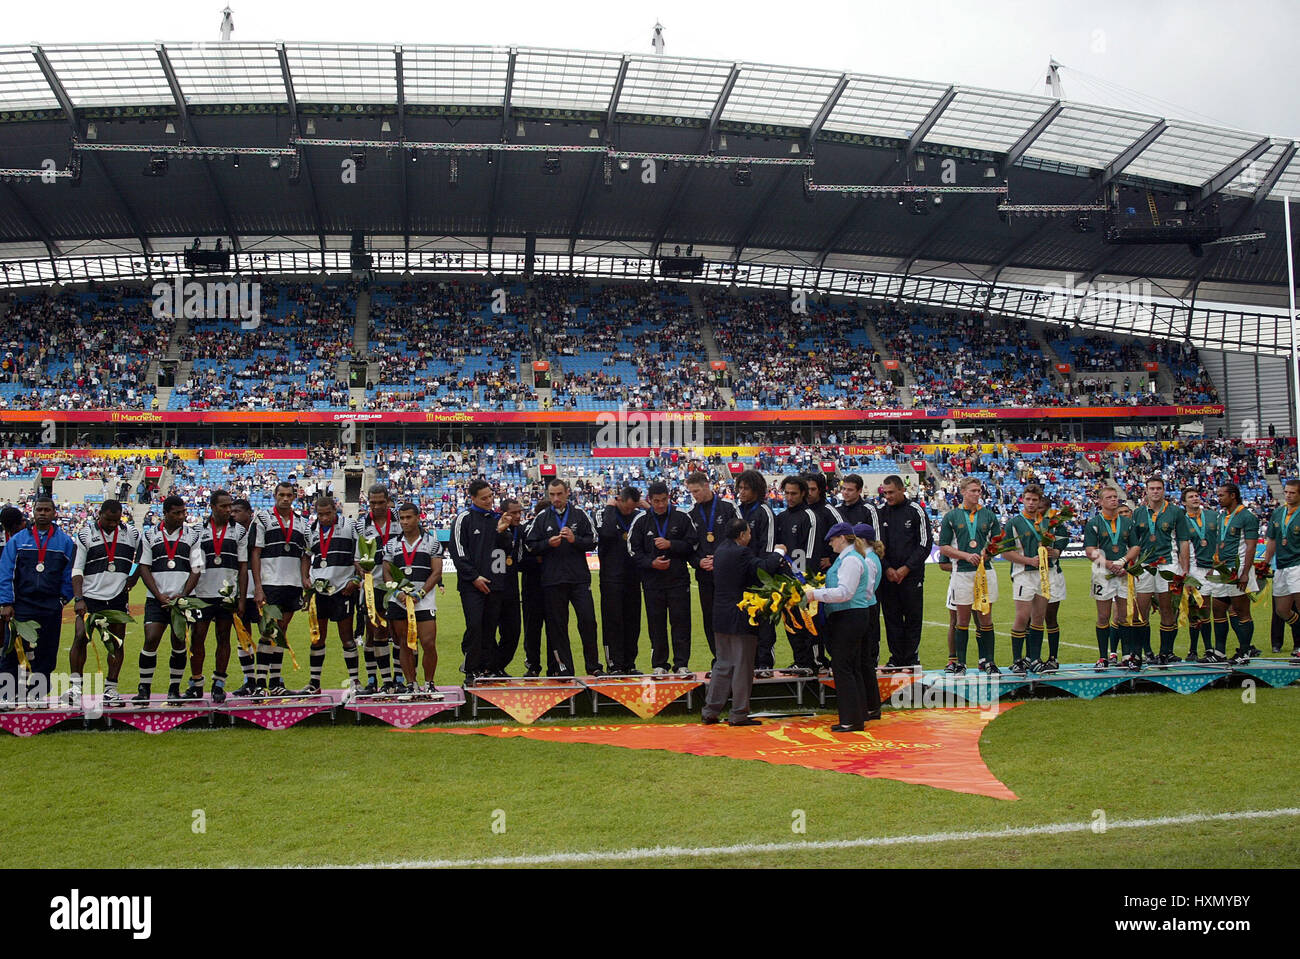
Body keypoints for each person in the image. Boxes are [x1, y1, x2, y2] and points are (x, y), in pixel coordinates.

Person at [701, 518, 786, 727]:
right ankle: (739, 714)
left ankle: (710, 711)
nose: (750, 536)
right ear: (741, 535)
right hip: (740, 615)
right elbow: (764, 569)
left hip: (720, 615)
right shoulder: (742, 552)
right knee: (742, 665)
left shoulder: (721, 550)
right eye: (748, 533)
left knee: (723, 664)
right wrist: (779, 552)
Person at [0, 497, 76, 704]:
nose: (42, 513)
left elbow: (70, 575)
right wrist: (7, 602)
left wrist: (61, 600)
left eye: (47, 510)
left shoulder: (65, 542)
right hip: (22, 605)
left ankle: (37, 694)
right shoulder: (17, 541)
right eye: (39, 509)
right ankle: (6, 695)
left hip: (50, 605)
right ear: (33, 512)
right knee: (12, 650)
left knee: (46, 651)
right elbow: (6, 572)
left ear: (54, 513)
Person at [807, 522, 882, 730]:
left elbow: (844, 593)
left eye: (832, 540)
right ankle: (857, 715)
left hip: (848, 616)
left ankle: (850, 719)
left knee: (843, 667)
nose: (830, 544)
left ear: (841, 538)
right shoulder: (852, 558)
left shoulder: (850, 560)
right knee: (852, 666)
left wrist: (815, 594)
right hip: (852, 614)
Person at [70, 499, 144, 706]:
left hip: (118, 597)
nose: (113, 523)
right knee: (80, 637)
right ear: (99, 514)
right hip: (90, 597)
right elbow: (77, 569)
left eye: (116, 519)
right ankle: (75, 688)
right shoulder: (85, 534)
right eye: (108, 519)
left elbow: (144, 557)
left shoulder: (131, 533)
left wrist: (134, 576)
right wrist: (78, 598)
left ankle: (111, 689)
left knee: (116, 643)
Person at [525, 478, 603, 677]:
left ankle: (593, 666)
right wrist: (547, 544)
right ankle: (564, 669)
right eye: (552, 495)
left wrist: (574, 540)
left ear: (568, 493)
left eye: (559, 494)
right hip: (553, 580)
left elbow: (593, 540)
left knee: (588, 621)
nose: (556, 498)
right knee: (558, 627)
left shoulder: (580, 514)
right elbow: (530, 545)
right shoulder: (542, 517)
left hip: (579, 579)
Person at [628, 480, 698, 676]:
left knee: (681, 623)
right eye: (656, 501)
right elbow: (633, 551)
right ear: (649, 500)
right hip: (653, 583)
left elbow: (693, 544)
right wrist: (652, 563)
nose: (660, 505)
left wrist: (671, 544)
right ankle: (659, 664)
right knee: (656, 624)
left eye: (664, 500)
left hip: (678, 580)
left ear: (669, 498)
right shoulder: (641, 521)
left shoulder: (681, 517)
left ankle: (681, 664)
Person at [186, 489, 248, 704]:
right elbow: (195, 566)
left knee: (224, 638)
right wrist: (186, 595)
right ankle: (196, 683)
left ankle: (219, 683)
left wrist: (240, 599)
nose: (228, 510)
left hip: (227, 595)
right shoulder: (196, 531)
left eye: (230, 505)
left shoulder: (239, 531)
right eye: (223, 506)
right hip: (202, 593)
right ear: (212, 507)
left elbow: (242, 567)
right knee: (197, 639)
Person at [448, 479, 513, 684]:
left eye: (490, 496)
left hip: (494, 585)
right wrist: (474, 577)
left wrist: (502, 532)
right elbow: (458, 552)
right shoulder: (464, 519)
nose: (488, 500)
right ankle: (471, 668)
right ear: (473, 498)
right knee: (475, 625)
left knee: (490, 628)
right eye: (483, 498)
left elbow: (505, 552)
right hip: (471, 586)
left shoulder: (498, 518)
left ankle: (487, 667)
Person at [251, 480, 310, 695]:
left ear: (294, 497)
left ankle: (275, 683)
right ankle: (259, 684)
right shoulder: (263, 518)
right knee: (268, 631)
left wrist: (304, 578)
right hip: (270, 583)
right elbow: (255, 553)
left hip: (292, 585)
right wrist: (258, 586)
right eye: (281, 495)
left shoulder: (302, 522)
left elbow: (305, 555)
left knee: (281, 633)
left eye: (289, 495)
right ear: (274, 495)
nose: (285, 498)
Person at [937, 477, 1001, 675]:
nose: (977, 494)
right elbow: (944, 546)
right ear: (963, 492)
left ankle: (989, 662)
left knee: (986, 619)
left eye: (979, 490)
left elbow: (998, 543)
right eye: (973, 490)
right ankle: (961, 663)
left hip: (985, 572)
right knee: (961, 620)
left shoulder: (989, 516)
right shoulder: (951, 516)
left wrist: (988, 553)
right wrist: (966, 555)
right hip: (962, 573)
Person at [301, 495, 362, 695]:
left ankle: (355, 682)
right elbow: (306, 557)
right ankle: (314, 683)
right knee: (317, 638)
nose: (324, 518)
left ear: (335, 510)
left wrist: (356, 581)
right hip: (319, 590)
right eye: (320, 514)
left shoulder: (349, 526)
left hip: (343, 589)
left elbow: (360, 556)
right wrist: (305, 579)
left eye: (328, 514)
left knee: (347, 637)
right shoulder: (311, 530)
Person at [1130, 477, 1193, 664]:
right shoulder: (1139, 513)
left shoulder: (1175, 512)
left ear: (1164, 490)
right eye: (1152, 488)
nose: (1155, 491)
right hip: (1144, 566)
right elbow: (1134, 543)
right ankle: (1140, 653)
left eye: (1159, 488)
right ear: (1146, 491)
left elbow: (1183, 542)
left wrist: (1185, 570)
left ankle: (1166, 652)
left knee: (1167, 610)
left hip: (1168, 564)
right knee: (1140, 611)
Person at [382, 502, 443, 693]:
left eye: (409, 517)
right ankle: (411, 684)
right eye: (402, 518)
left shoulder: (432, 542)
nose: (405, 521)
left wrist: (421, 593)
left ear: (418, 517)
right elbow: (386, 573)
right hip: (399, 602)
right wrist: (397, 593)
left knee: (428, 643)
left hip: (423, 601)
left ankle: (429, 683)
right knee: (404, 644)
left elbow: (436, 572)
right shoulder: (391, 544)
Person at [1083, 484, 1141, 670]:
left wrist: (1123, 561)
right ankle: (1102, 657)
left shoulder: (1127, 522)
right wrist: (1109, 564)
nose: (1113, 500)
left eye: (1115, 497)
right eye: (1108, 497)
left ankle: (1127, 656)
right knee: (1103, 616)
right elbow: (1090, 550)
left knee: (1124, 616)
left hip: (1124, 571)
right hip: (1102, 572)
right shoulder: (1094, 523)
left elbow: (1135, 547)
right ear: (1100, 501)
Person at [876, 474, 930, 668]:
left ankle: (911, 659)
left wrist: (906, 568)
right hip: (888, 576)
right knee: (892, 619)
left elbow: (925, 544)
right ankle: (896, 659)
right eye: (885, 493)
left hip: (911, 576)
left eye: (891, 492)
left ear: (901, 490)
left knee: (913, 618)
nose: (888, 496)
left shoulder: (916, 511)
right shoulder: (880, 512)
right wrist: (888, 568)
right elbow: (876, 546)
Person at [686, 470, 737, 669]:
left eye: (697, 491)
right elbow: (688, 547)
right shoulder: (691, 514)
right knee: (710, 618)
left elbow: (742, 537)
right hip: (705, 575)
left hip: (728, 575)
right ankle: (719, 658)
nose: (694, 496)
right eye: (691, 492)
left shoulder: (728, 507)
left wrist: (722, 558)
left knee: (732, 616)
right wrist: (699, 562)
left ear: (707, 485)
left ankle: (735, 657)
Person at [1001, 484, 1055, 674]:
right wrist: (1028, 560)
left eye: (1035, 500)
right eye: (1028, 499)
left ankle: (1034, 658)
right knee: (1022, 617)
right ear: (1022, 499)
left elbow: (1053, 550)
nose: (1031, 503)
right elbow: (1006, 553)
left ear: (1040, 502)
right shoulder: (1014, 523)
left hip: (1043, 575)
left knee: (1039, 618)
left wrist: (1052, 552)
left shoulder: (1046, 522)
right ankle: (1017, 660)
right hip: (1023, 574)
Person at [356, 484, 404, 692]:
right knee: (375, 632)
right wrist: (362, 574)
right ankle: (379, 680)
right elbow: (356, 558)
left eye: (380, 502)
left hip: (398, 585)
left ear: (388, 501)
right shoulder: (360, 525)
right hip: (373, 585)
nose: (376, 506)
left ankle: (400, 679)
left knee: (401, 632)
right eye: (372, 502)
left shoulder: (401, 520)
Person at [735, 469, 778, 677]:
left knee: (764, 621)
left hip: (761, 576)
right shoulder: (737, 510)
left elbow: (768, 546)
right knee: (744, 621)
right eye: (740, 488)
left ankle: (765, 663)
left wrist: (758, 568)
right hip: (740, 577)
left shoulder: (764, 511)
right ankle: (747, 662)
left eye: (746, 488)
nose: (742, 492)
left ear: (757, 489)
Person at [1210, 482, 1259, 665]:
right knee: (1218, 608)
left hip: (1237, 569)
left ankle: (1245, 652)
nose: (1219, 498)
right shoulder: (1222, 516)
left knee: (1241, 611)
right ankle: (1219, 652)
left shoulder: (1247, 516)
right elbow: (1220, 542)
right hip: (1222, 569)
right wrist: (1215, 562)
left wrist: (1245, 573)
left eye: (1222, 495)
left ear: (1233, 496)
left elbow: (1251, 546)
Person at [774, 475, 818, 674]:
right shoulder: (781, 517)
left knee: (807, 622)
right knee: (790, 623)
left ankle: (811, 662)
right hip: (784, 581)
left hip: (804, 581)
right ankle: (799, 660)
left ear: (803, 494)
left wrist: (801, 578)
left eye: (793, 493)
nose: (789, 497)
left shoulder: (809, 516)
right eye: (786, 493)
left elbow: (808, 552)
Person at [597, 486, 643, 674]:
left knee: (633, 622)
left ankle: (629, 664)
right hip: (611, 578)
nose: (630, 511)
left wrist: (645, 505)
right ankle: (614, 664)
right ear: (619, 500)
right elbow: (606, 533)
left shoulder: (638, 515)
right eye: (627, 508)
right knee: (613, 621)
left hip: (633, 577)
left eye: (633, 508)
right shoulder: (604, 513)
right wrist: (609, 508)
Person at [1262, 479, 1300, 663]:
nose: (1288, 495)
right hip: (1281, 566)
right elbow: (1272, 541)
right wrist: (1265, 563)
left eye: (1292, 492)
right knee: (1282, 610)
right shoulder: (1277, 513)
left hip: (1298, 564)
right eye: (1286, 492)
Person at [1180, 488, 1219, 661]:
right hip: (1194, 568)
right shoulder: (1181, 521)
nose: (1195, 498)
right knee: (1194, 610)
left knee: (1208, 609)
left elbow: (1219, 539)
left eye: (1197, 496)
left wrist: (1217, 561)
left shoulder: (1212, 516)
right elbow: (1182, 548)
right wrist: (1186, 573)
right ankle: (1193, 649)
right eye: (1191, 497)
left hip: (1213, 569)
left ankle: (1209, 648)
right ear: (1184, 502)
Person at [495, 497, 527, 675]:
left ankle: (498, 666)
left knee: (513, 632)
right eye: (513, 513)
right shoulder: (494, 529)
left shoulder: (521, 531)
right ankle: (490, 666)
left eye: (519, 512)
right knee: (489, 630)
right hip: (493, 588)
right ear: (503, 513)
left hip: (512, 589)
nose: (517, 516)